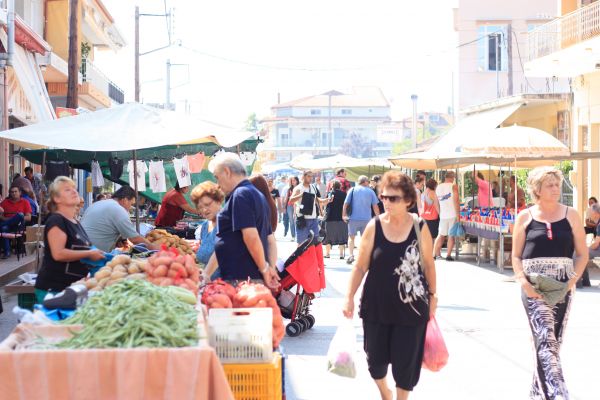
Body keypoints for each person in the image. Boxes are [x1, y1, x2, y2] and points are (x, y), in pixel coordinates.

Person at [342, 170, 437, 400]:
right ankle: (385, 392)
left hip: (412, 306)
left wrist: (433, 295)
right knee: (375, 360)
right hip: (377, 305)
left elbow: (428, 263)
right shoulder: (374, 226)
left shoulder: (419, 226)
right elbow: (360, 266)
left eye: (392, 198)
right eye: (383, 197)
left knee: (406, 363)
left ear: (408, 201)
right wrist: (349, 296)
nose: (386, 202)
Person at [512, 167, 587, 400]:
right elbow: (516, 256)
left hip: (563, 287)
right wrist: (524, 284)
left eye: (557, 184)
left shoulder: (571, 215)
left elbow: (582, 254)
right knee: (545, 344)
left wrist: (571, 281)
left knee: (554, 343)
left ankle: (536, 394)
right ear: (537, 190)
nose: (556, 189)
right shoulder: (525, 217)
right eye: (550, 185)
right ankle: (558, 396)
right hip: (533, 288)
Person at [209, 153, 279, 288]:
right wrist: (270, 268)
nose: (218, 184)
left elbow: (251, 236)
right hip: (249, 280)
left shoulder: (240, 195)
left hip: (242, 281)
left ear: (227, 172)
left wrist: (265, 269)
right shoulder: (257, 195)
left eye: (217, 178)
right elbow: (270, 241)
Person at [34, 177, 105, 303]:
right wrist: (89, 253)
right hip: (55, 289)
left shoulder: (75, 222)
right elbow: (58, 254)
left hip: (72, 287)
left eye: (74, 188)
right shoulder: (56, 220)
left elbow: (80, 252)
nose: (74, 191)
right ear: (57, 198)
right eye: (67, 190)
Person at [81, 186, 158, 252]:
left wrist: (117, 240)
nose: (130, 207)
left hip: (82, 247)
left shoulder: (98, 204)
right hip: (92, 254)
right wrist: (154, 248)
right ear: (124, 200)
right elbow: (135, 239)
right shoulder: (118, 209)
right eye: (131, 204)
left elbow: (101, 228)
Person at [190, 181, 225, 281]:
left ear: (218, 201)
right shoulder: (205, 226)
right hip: (207, 285)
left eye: (207, 204)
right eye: (200, 207)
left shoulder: (226, 223)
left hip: (225, 287)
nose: (204, 210)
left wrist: (206, 274)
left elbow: (221, 253)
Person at [343, 175, 380, 264]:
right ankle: (363, 256)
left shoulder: (352, 190)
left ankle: (351, 255)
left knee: (351, 238)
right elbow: (375, 206)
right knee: (365, 239)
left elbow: (345, 204)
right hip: (366, 219)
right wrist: (378, 217)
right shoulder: (370, 191)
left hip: (353, 218)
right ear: (365, 182)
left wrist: (344, 215)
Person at [290, 171, 330, 245]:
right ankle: (301, 256)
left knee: (315, 242)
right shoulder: (298, 188)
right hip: (302, 219)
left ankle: (311, 256)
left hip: (313, 219)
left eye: (312, 176)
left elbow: (317, 200)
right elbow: (291, 200)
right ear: (304, 176)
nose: (311, 178)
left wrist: (326, 200)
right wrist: (301, 195)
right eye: (309, 176)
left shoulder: (313, 187)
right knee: (301, 243)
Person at [433, 171, 459, 261]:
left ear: (445, 177)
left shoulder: (438, 187)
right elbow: (456, 202)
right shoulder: (453, 186)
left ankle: (434, 254)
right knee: (451, 235)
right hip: (452, 214)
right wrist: (458, 216)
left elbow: (435, 202)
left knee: (440, 235)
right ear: (453, 178)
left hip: (443, 215)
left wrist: (440, 213)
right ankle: (448, 255)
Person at [0, 186, 32, 258]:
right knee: (4, 228)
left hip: (19, 226)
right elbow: (1, 216)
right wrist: (5, 218)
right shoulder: (5, 202)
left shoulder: (25, 202)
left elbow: (29, 218)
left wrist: (15, 218)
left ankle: (1, 225)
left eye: (15, 191)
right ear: (9, 193)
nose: (14, 193)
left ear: (20, 193)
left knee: (20, 215)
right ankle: (7, 252)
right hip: (8, 226)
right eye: (12, 192)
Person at [323, 180, 348, 259]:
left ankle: (327, 254)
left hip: (330, 218)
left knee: (328, 236)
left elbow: (326, 204)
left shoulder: (330, 193)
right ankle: (341, 254)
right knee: (341, 236)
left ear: (332, 186)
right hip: (341, 218)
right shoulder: (344, 194)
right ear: (340, 186)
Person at [283, 176, 299, 240]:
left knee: (296, 220)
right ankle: (293, 236)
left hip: (298, 205)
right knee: (291, 221)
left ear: (297, 181)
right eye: (292, 181)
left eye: (294, 180)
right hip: (290, 205)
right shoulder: (289, 189)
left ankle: (298, 234)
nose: (293, 182)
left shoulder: (300, 188)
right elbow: (287, 198)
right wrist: (284, 207)